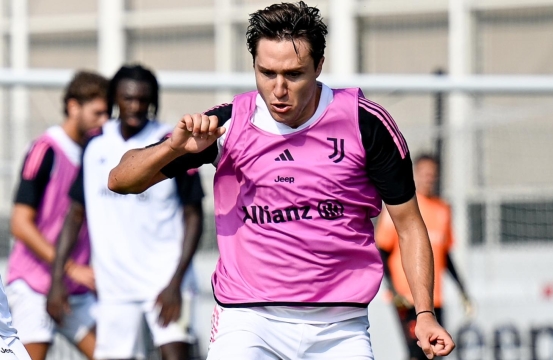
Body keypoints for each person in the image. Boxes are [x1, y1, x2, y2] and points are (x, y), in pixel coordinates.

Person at [107, 2, 455, 359]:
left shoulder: (366, 124)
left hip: (340, 326)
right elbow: (121, 180)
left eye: (293, 74)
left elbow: (411, 226)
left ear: (319, 66)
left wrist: (424, 314)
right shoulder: (227, 126)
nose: (278, 89)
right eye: (266, 72)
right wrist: (173, 149)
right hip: (247, 319)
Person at [46, 64, 205, 360]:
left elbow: (194, 216)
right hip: (115, 284)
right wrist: (57, 279)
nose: (135, 106)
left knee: (176, 354)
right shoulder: (95, 145)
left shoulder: (172, 143)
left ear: (152, 100)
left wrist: (176, 281)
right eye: (127, 98)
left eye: (142, 99)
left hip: (166, 279)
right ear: (115, 99)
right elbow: (75, 215)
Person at [6, 70, 109, 360]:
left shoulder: (97, 154)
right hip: (34, 285)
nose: (104, 121)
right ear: (73, 106)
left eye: (107, 114)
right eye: (97, 113)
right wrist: (70, 267)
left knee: (114, 354)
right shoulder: (45, 149)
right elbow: (20, 224)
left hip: (75, 290)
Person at [375, 154, 472, 360]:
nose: (429, 178)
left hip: (434, 297)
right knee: (416, 353)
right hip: (407, 298)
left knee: (436, 353)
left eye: (433, 174)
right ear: (415, 175)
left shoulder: (443, 209)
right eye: (425, 174)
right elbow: (381, 251)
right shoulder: (401, 207)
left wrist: (462, 289)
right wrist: (393, 290)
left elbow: (445, 254)